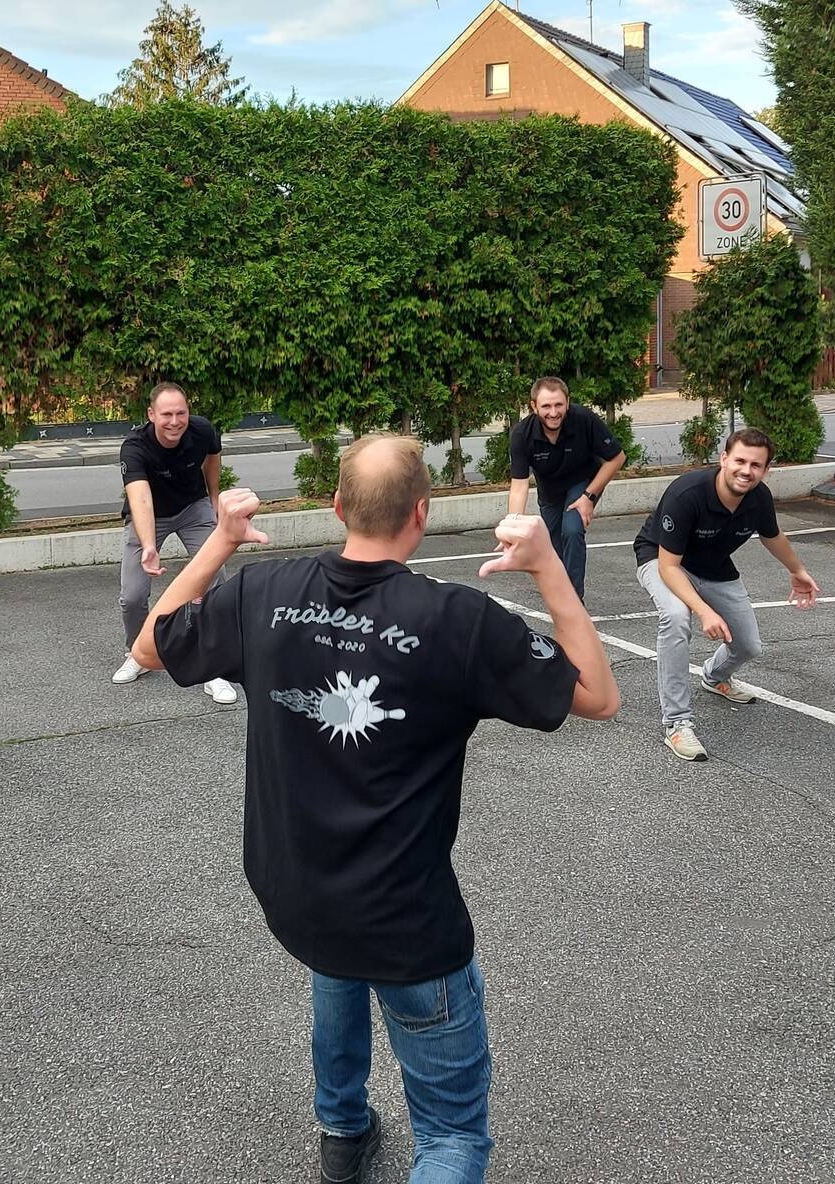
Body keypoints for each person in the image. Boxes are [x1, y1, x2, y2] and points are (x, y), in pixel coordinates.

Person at [129, 436, 618, 1182]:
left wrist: (221, 542)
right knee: (452, 1137)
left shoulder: (264, 592)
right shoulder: (460, 620)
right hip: (405, 922)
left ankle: (343, 1129)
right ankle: (349, 1128)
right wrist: (549, 565)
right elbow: (599, 697)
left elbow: (152, 642)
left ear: (335, 507)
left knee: (337, 963)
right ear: (420, 515)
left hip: (298, 892)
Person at [632, 427, 818, 761]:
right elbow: (669, 567)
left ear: (766, 470)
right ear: (724, 459)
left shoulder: (758, 497)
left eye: (756, 465)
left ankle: (715, 677)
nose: (746, 471)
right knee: (675, 617)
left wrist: (796, 570)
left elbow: (772, 536)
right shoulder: (686, 494)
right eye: (740, 461)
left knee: (748, 645)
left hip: (714, 566)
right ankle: (677, 724)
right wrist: (704, 610)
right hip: (662, 560)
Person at [108, 381, 235, 705]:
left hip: (193, 509)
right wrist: (149, 545)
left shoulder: (202, 430)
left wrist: (214, 497)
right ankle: (138, 652)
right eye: (166, 414)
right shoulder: (135, 447)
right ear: (152, 414)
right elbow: (140, 499)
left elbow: (212, 458)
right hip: (150, 516)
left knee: (215, 580)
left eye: (181, 413)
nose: (175, 421)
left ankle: (213, 665)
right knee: (133, 596)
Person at [505, 377, 628, 600]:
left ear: (567, 402)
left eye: (558, 405)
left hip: (584, 482)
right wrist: (513, 528)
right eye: (546, 406)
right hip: (550, 492)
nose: (553, 412)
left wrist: (589, 496)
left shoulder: (584, 419)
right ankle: (562, 595)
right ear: (533, 406)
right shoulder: (522, 435)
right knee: (554, 548)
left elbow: (617, 458)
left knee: (572, 529)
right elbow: (519, 486)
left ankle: (574, 602)